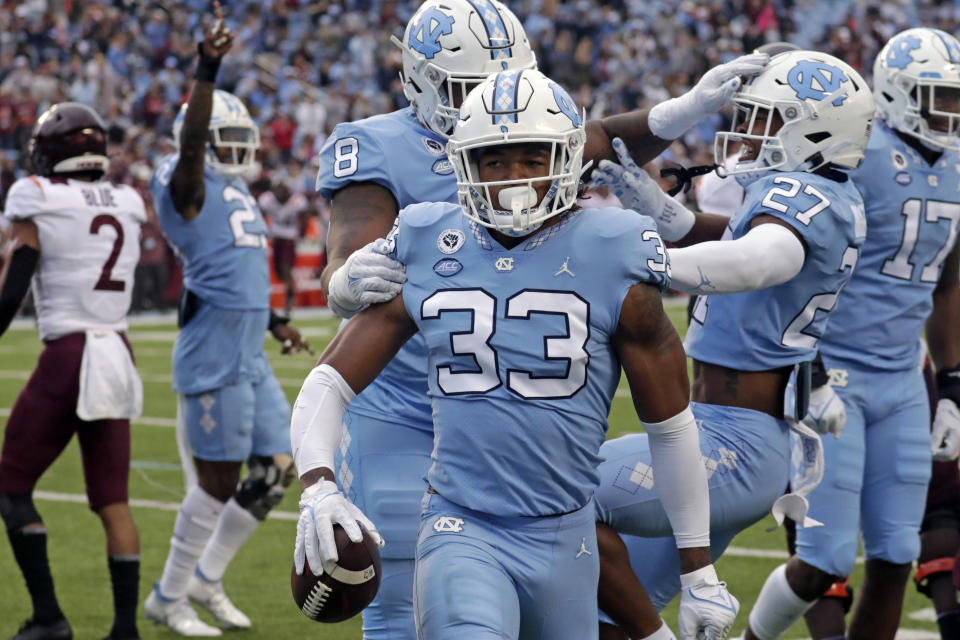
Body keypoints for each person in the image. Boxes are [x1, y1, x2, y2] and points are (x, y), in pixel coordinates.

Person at [316, 1, 768, 636]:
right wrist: (342, 279)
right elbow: (348, 248)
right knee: (400, 595)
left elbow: (591, 139)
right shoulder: (375, 144)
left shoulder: (550, 156)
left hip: (526, 408)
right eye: (468, 87)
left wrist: (680, 112)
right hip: (408, 404)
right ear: (419, 79)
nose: (493, 98)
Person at [588, 49, 874, 640]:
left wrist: (649, 261)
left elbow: (758, 257)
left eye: (767, 118)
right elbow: (730, 235)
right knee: (599, 617)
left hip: (730, 444)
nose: (748, 132)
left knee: (553, 488)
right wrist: (656, 205)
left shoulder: (803, 195)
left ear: (813, 130)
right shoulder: (811, 191)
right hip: (731, 437)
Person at [739, 28, 960, 640]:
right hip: (832, 372)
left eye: (956, 98)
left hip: (902, 380)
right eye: (937, 97)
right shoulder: (858, 155)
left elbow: (946, 283)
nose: (950, 112)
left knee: (894, 553)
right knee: (823, 560)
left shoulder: (957, 166)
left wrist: (953, 385)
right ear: (897, 92)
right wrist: (802, 364)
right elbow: (791, 259)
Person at [143, 7, 310, 636]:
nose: (238, 153)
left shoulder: (234, 189)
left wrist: (277, 323)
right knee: (216, 484)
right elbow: (190, 149)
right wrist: (207, 68)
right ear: (202, 137)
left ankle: (206, 581)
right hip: (212, 349)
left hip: (247, 348)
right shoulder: (187, 180)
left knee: (276, 472)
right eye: (222, 140)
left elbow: (233, 273)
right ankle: (168, 594)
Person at [0, 102, 146, 640]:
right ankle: (124, 630)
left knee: (11, 486)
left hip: (70, 351)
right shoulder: (129, 199)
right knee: (114, 503)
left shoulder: (34, 195)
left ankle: (49, 618)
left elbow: (16, 279)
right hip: (118, 351)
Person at [258, 181, 307, 315]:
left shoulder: (297, 201)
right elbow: (260, 214)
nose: (281, 196)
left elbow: (304, 215)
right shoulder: (267, 199)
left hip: (289, 238)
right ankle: (290, 295)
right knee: (279, 273)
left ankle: (289, 301)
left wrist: (302, 232)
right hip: (276, 238)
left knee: (286, 270)